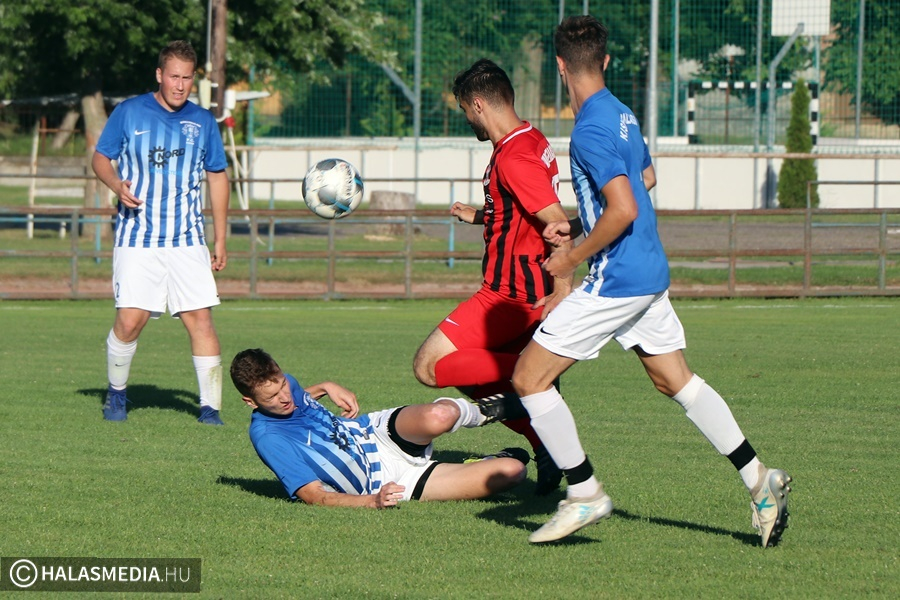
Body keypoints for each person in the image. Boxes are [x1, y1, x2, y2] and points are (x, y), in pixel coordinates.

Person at [510, 16, 792, 545]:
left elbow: (621, 209)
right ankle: (760, 480)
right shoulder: (620, 115)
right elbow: (646, 180)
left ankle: (584, 494)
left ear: (559, 66)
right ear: (607, 61)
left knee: (529, 378)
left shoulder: (591, 129)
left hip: (618, 277)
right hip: (648, 270)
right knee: (675, 380)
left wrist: (572, 256)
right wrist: (577, 222)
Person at [412, 58, 572, 495]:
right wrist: (482, 215)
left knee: (429, 366)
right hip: (523, 289)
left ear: (478, 104)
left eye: (465, 110)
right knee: (474, 375)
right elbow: (523, 207)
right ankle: (546, 441)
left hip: (509, 295)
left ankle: (533, 377)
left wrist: (565, 286)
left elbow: (556, 222)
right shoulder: (529, 138)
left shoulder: (515, 156)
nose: (467, 119)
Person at [92, 40, 230, 425]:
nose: (180, 85)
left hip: (187, 240)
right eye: (173, 76)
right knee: (130, 321)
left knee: (200, 320)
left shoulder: (202, 122)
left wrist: (219, 238)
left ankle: (210, 408)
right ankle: (117, 395)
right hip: (138, 239)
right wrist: (116, 184)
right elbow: (101, 158)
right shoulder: (129, 112)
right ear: (159, 75)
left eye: (187, 78)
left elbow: (217, 177)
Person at [230, 348, 529, 507]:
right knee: (514, 470)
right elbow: (315, 496)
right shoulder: (268, 438)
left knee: (439, 416)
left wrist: (324, 386)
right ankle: (485, 462)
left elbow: (296, 398)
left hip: (376, 433)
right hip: (389, 481)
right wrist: (372, 501)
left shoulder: (287, 385)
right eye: (271, 397)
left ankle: (483, 411)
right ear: (249, 401)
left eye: (283, 384)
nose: (285, 397)